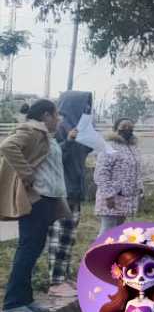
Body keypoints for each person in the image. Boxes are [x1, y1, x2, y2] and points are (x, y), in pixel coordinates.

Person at [1, 101, 69, 312]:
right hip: (36, 198)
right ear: (46, 115)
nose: (58, 119)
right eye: (56, 115)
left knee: (34, 247)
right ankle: (13, 303)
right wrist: (27, 174)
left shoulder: (44, 134)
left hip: (46, 198)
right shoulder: (32, 129)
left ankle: (25, 299)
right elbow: (7, 146)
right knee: (28, 248)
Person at [44, 92, 91, 300]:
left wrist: (88, 138)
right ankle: (55, 282)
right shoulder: (58, 128)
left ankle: (63, 277)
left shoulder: (77, 128)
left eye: (89, 107)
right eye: (84, 107)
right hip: (61, 192)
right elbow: (53, 156)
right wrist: (70, 141)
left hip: (74, 192)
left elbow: (82, 156)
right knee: (59, 238)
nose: (87, 111)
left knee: (68, 238)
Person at [94, 118, 142, 231]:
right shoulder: (109, 147)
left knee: (118, 232)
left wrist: (140, 189)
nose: (127, 129)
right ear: (116, 129)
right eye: (124, 126)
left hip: (126, 198)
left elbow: (137, 171)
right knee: (107, 231)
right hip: (112, 197)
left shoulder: (133, 148)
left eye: (130, 127)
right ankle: (100, 244)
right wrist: (108, 195)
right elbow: (101, 172)